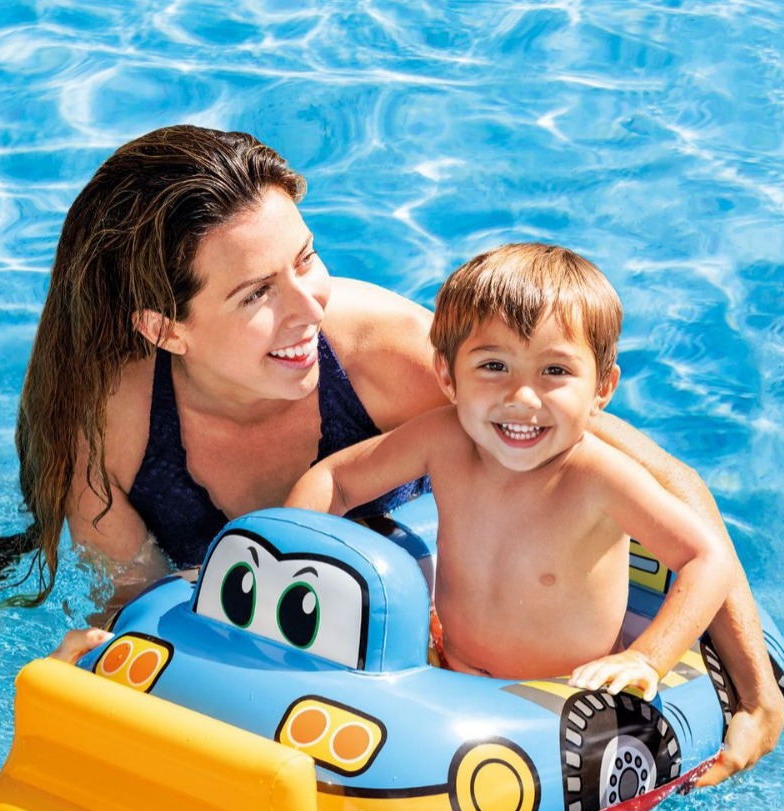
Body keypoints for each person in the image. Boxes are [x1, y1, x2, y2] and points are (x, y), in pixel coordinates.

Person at [0, 125, 783, 784]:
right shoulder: (108, 435)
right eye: (256, 294)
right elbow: (137, 606)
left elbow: (666, 481)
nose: (308, 306)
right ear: (166, 328)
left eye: (305, 259)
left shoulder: (383, 353)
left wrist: (753, 692)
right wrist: (105, 663)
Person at [285, 241, 734, 698]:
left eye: (554, 371)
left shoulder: (600, 479)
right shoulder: (443, 440)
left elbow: (706, 557)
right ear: (447, 376)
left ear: (602, 388)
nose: (521, 398)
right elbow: (336, 480)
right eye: (494, 365)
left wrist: (646, 658)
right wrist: (292, 564)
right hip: (446, 666)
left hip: (563, 697)